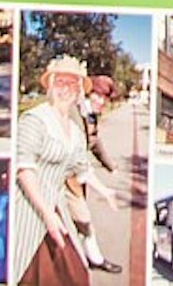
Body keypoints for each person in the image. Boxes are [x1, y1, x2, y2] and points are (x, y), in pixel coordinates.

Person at [16, 53, 120, 273]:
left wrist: (106, 186)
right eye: (60, 82)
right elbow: (24, 169)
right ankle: (96, 258)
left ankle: (91, 257)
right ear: (50, 85)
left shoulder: (78, 122)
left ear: (80, 90)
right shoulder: (36, 119)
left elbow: (86, 154)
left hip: (59, 197)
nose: (66, 90)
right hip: (36, 203)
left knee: (72, 267)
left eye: (73, 84)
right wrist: (47, 213)